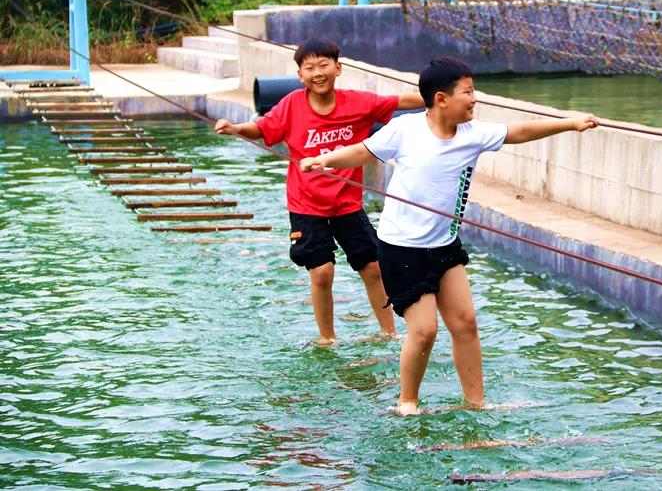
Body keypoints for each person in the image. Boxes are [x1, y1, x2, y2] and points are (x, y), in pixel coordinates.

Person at [299, 56, 598, 414]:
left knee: (466, 323)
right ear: (442, 98)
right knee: (424, 331)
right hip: (402, 248)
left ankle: (476, 402)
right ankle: (407, 402)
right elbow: (363, 152)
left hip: (444, 246)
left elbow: (518, 132)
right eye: (468, 92)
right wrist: (326, 159)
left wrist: (570, 123)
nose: (475, 99)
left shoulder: (473, 136)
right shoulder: (406, 130)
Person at [214, 38, 425, 345]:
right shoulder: (290, 105)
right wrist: (235, 128)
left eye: (324, 65)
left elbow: (397, 102)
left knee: (373, 268)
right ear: (300, 75)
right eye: (309, 67)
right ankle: (327, 338)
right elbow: (261, 128)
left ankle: (389, 332)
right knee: (322, 271)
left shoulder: (358, 103)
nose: (317, 72)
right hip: (306, 205)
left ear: (338, 68)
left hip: (347, 204)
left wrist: (435, 96)